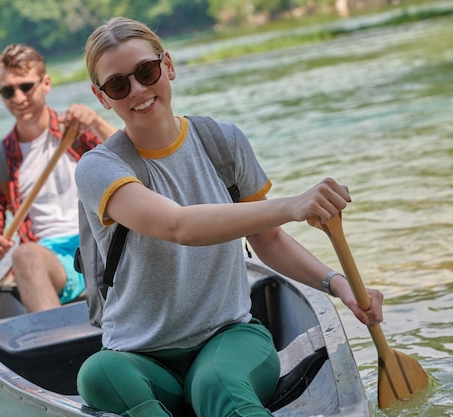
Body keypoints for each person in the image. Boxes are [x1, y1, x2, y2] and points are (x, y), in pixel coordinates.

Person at [75, 17, 384, 417]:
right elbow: (178, 225)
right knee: (97, 373)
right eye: (118, 85)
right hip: (139, 357)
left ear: (167, 65)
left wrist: (338, 284)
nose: (137, 90)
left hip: (230, 338)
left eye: (146, 72)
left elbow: (268, 240)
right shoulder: (98, 168)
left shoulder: (223, 142)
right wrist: (293, 205)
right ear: (102, 97)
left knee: (217, 383)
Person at [0, 44, 116, 313]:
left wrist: (97, 123)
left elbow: (133, 159)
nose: (18, 97)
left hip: (102, 244)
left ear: (46, 83)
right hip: (51, 259)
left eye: (26, 87)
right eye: (8, 91)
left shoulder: (78, 131)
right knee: (24, 255)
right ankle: (54, 339)